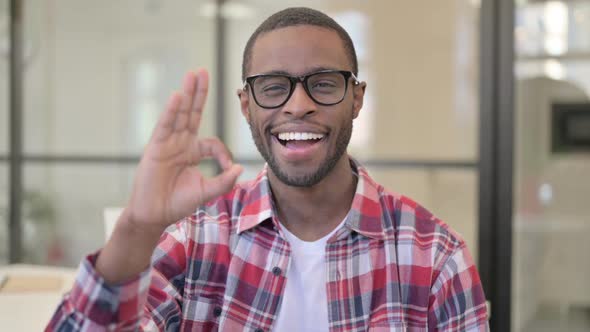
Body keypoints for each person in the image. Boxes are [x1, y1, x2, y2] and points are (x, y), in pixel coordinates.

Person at [47, 7, 489, 332]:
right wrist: (138, 226)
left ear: (356, 98)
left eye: (324, 84)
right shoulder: (194, 242)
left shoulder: (435, 258)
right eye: (274, 87)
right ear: (246, 105)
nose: (299, 106)